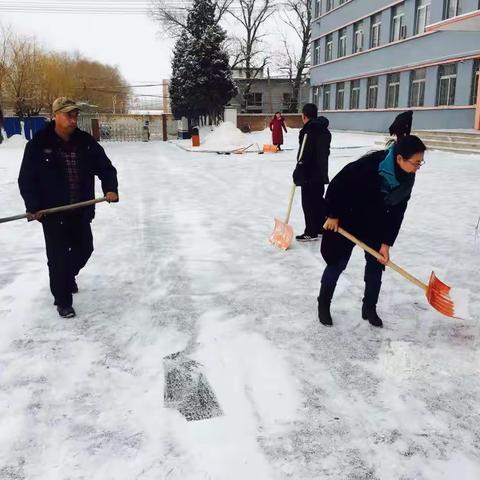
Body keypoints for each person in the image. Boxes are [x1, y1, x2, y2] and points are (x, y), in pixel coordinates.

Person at [18, 97, 119, 318]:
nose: (73, 120)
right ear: (55, 115)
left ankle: (65, 277)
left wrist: (110, 188)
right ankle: (62, 300)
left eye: (75, 115)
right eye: (68, 115)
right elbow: (26, 179)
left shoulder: (86, 142)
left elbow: (106, 168)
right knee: (58, 258)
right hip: (53, 213)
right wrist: (33, 206)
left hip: (81, 210)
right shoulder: (38, 144)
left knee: (85, 249)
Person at [317, 135, 427, 328]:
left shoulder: (407, 179)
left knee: (376, 267)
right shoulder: (368, 166)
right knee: (336, 264)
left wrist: (386, 242)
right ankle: (323, 304)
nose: (418, 167)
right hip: (347, 218)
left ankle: (369, 308)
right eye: (416, 162)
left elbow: (397, 211)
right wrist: (333, 214)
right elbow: (337, 185)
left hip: (374, 223)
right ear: (400, 158)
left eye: (420, 162)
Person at [292, 103, 331, 242]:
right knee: (318, 201)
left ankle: (311, 231)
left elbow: (304, 154)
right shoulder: (324, 131)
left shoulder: (309, 130)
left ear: (304, 116)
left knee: (308, 203)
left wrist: (298, 171)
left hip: (309, 174)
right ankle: (320, 228)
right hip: (320, 173)